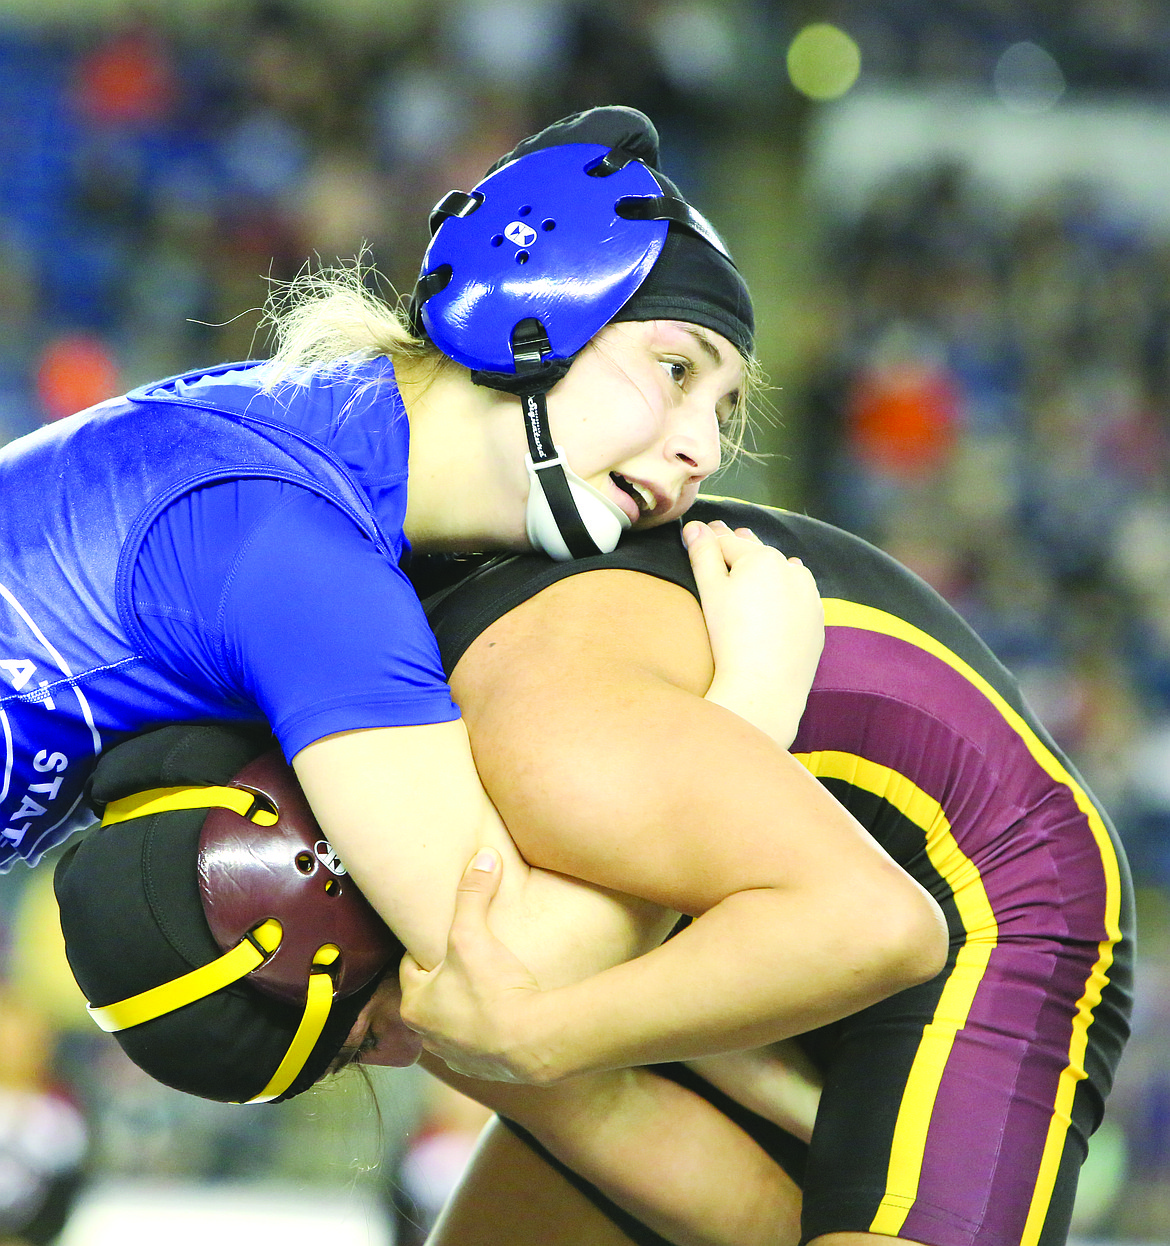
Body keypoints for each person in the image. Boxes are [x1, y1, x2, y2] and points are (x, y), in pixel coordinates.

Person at [32, 105, 944, 1103]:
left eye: (723, 411)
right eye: (676, 370)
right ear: (528, 313)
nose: (704, 449)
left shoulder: (308, 449)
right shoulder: (299, 551)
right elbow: (511, 977)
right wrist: (750, 711)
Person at [394, 496, 1133, 1246]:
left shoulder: (521, 786)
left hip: (991, 895)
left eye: (359, 1046)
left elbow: (880, 928)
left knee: (505, 1034)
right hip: (766, 895)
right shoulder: (434, 855)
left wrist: (534, 1036)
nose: (384, 1057)